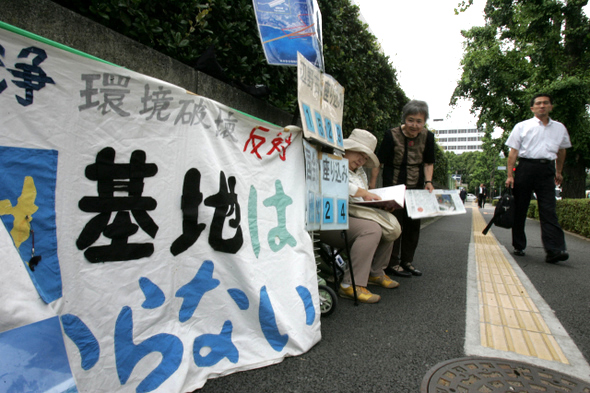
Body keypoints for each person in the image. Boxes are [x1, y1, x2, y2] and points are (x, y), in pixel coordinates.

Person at [320, 129, 401, 304]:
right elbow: (332, 182)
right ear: (347, 148)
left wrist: (381, 205)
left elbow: (361, 197)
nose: (361, 160)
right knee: (372, 228)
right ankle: (350, 284)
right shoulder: (330, 159)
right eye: (360, 153)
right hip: (328, 220)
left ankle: (375, 272)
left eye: (365, 158)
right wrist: (363, 192)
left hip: (350, 217)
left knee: (386, 221)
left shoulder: (360, 172)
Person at [370, 100, 435, 278]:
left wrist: (428, 182)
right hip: (394, 188)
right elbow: (378, 161)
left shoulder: (428, 137)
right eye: (411, 120)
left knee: (413, 226)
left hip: (416, 189)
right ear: (404, 118)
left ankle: (407, 261)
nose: (415, 125)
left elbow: (429, 162)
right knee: (394, 224)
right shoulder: (391, 135)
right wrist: (373, 185)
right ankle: (392, 263)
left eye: (419, 121)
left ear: (424, 122)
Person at [505, 93, 571, 263]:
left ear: (551, 107)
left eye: (546, 103)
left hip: (547, 169)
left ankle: (554, 249)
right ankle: (519, 245)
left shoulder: (560, 128)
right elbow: (513, 152)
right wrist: (510, 175)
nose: (542, 106)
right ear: (532, 108)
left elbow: (562, 150)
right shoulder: (522, 126)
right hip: (526, 168)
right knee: (520, 208)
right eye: (539, 103)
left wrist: (558, 171)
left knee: (549, 210)